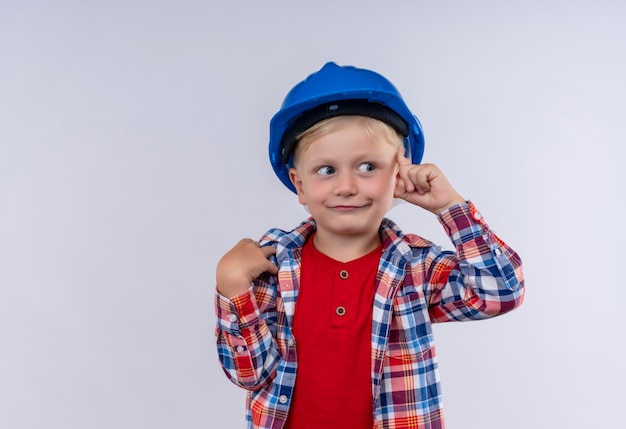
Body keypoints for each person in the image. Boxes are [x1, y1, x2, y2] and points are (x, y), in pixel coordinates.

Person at [214, 62, 525, 429]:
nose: (346, 186)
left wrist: (449, 206)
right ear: (299, 184)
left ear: (399, 174)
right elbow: (249, 374)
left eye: (367, 167)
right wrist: (232, 287)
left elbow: (500, 291)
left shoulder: (416, 266)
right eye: (327, 170)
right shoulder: (272, 262)